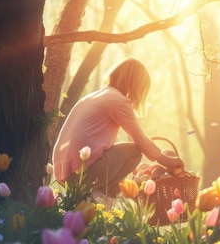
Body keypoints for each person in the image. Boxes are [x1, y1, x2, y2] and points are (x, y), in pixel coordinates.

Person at [52, 57, 184, 198]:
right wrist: (169, 161)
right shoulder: (118, 100)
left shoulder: (94, 96)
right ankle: (103, 198)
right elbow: (142, 141)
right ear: (135, 84)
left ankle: (92, 196)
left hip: (62, 172)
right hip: (83, 172)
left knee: (121, 151)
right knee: (134, 152)